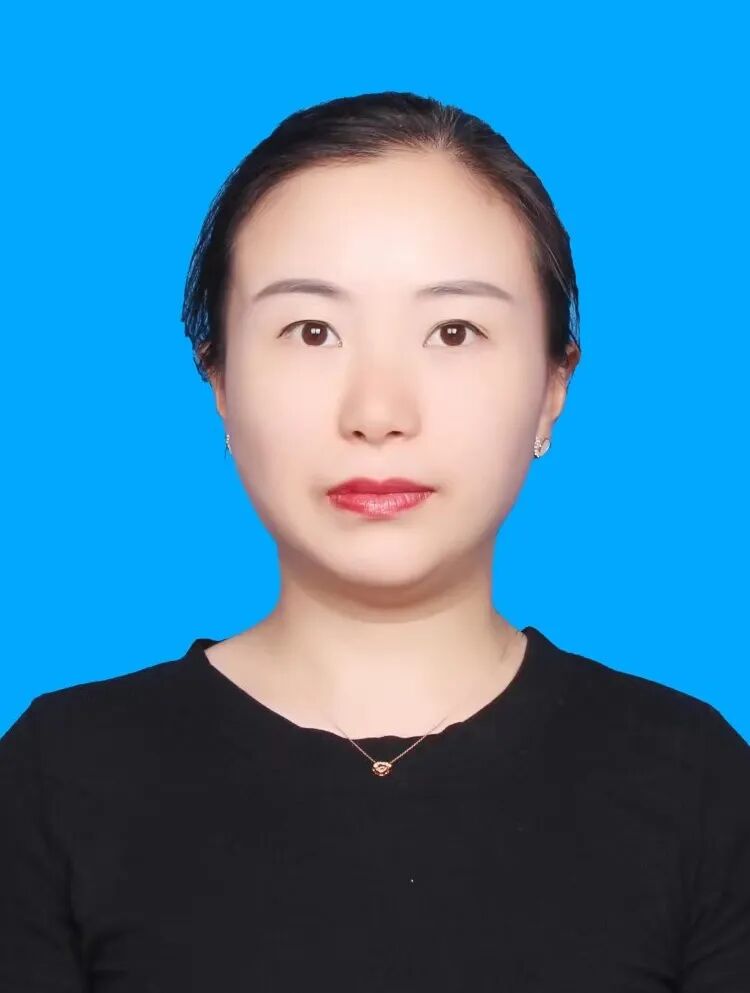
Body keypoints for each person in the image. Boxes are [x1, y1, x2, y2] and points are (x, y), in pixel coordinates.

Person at [1, 90, 748, 992]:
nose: (378, 411)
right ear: (220, 383)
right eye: (312, 330)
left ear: (554, 385)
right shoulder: (57, 778)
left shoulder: (697, 782)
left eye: (454, 331)